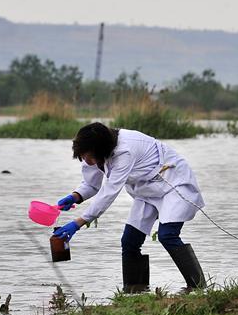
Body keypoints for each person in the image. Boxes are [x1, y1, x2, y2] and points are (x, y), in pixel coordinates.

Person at [52, 122, 207, 291]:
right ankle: (135, 292)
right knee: (129, 242)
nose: (86, 161)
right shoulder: (93, 153)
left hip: (173, 184)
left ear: (101, 150)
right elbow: (91, 184)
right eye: (82, 156)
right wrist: (75, 196)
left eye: (88, 157)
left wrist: (79, 222)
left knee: (167, 235)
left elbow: (109, 192)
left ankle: (198, 288)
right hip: (147, 191)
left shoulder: (124, 150)